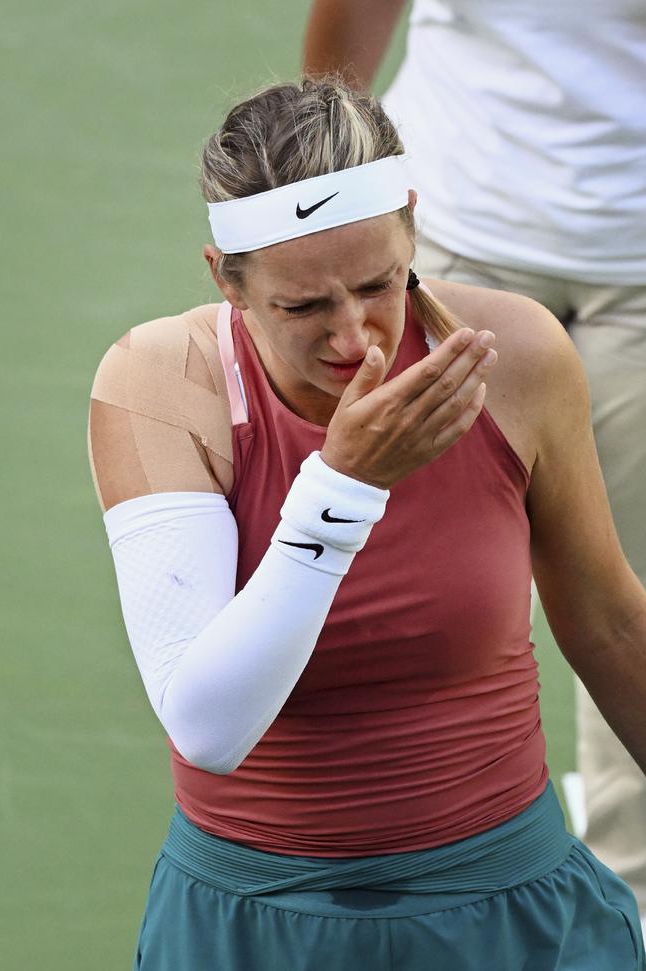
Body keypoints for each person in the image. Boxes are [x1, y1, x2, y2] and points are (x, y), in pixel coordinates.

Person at [88, 78, 646, 970]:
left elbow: (612, 622)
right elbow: (208, 726)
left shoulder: (519, 357)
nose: (354, 337)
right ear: (224, 278)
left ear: (414, 226)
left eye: (379, 284)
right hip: (253, 931)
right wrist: (341, 486)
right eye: (303, 307)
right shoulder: (161, 383)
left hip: (513, 917)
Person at [303, 0, 646, 929]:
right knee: (406, 581)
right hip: (445, 245)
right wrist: (324, 204)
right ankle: (380, 887)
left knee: (630, 601)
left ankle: (631, 915)